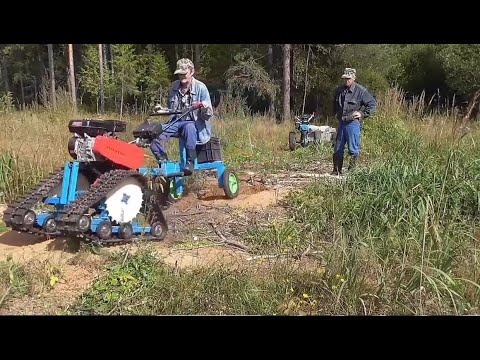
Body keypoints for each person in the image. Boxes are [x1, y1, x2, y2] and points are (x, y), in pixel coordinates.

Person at [150, 58, 213, 176]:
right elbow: (171, 109)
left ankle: (190, 163)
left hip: (194, 124)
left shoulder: (201, 88)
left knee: (189, 127)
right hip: (175, 122)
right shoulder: (174, 86)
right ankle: (163, 160)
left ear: (192, 72)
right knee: (151, 133)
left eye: (184, 74)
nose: (182, 77)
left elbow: (209, 114)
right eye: (179, 74)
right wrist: (161, 110)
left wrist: (204, 108)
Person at [331, 68, 376, 175]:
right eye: (345, 78)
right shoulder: (339, 90)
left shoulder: (361, 91)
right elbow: (335, 105)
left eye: (349, 78)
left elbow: (372, 104)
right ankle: (336, 170)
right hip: (341, 123)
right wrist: (335, 115)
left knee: (353, 148)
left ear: (353, 78)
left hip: (352, 123)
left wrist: (362, 114)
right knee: (338, 147)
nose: (346, 80)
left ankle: (352, 171)